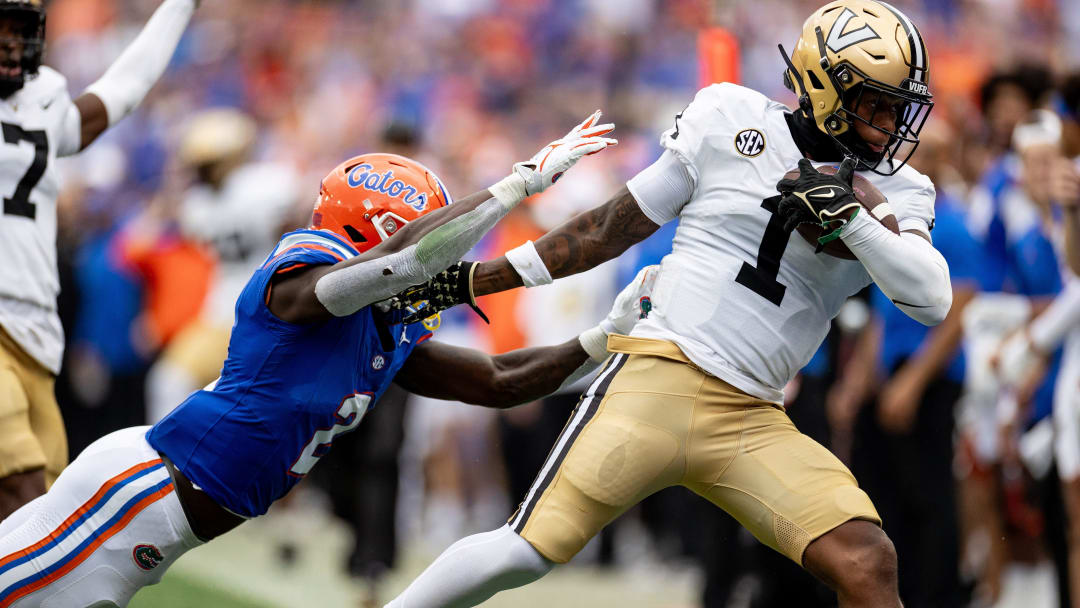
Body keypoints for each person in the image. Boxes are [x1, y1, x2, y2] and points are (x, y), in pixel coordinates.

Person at [385, 1, 949, 606]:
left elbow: (931, 298)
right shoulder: (728, 115)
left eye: (899, 106)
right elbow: (610, 227)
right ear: (823, 87)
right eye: (877, 103)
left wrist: (856, 224)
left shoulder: (900, 191)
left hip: (753, 417)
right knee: (523, 551)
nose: (893, 123)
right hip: (658, 379)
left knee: (866, 560)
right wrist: (474, 281)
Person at [0, 115, 633, 607]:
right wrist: (517, 182)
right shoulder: (302, 275)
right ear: (378, 231)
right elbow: (408, 262)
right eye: (428, 241)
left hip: (163, 519)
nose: (440, 267)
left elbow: (500, 380)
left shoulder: (383, 324)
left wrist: (609, 337)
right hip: (135, 496)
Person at [0, 0, 201, 520]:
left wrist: (181, 6)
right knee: (20, 494)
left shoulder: (43, 96)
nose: (9, 41)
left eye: (17, 28)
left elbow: (123, 91)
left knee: (43, 511)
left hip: (36, 328)